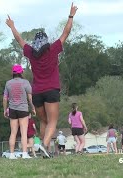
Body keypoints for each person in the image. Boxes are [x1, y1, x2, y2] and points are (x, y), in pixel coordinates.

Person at [6, 2, 78, 158]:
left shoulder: (31, 52)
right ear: (46, 42)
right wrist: (71, 15)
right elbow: (66, 32)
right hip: (51, 90)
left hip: (37, 92)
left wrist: (12, 26)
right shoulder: (52, 50)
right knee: (53, 121)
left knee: (44, 121)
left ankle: (44, 150)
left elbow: (19, 39)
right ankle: (44, 145)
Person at [3, 64, 36, 159]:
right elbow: (29, 97)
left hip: (12, 109)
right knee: (24, 132)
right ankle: (25, 153)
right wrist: (32, 107)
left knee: (13, 132)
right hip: (23, 109)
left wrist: (5, 110)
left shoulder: (8, 83)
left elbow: (5, 98)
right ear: (21, 72)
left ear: (13, 73)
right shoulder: (25, 82)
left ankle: (12, 154)